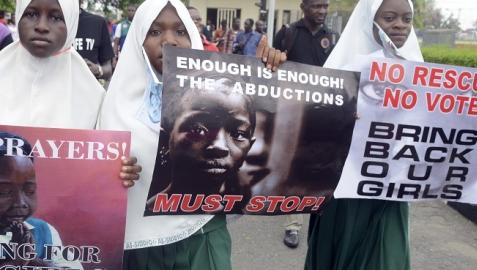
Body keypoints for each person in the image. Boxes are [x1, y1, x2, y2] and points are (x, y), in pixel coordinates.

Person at [99, 0, 232, 269]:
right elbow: (97, 177)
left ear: (194, 37)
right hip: (140, 244)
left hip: (201, 235)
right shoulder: (114, 105)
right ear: (138, 39)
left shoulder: (225, 98)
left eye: (181, 31)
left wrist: (272, 70)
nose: (169, 40)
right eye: (155, 31)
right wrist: (114, 172)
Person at [305, 0, 423, 269]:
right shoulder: (341, 68)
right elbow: (313, 128)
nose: (399, 26)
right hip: (346, 192)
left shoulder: (421, 71)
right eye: (389, 18)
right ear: (368, 22)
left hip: (390, 192)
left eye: (407, 19)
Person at [0, 0, 139, 184]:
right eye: (31, 14)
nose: (41, 26)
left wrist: (120, 169)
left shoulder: (94, 96)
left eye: (56, 17)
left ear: (72, 22)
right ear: (18, 16)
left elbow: (105, 164)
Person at [272, 0, 337, 249]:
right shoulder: (288, 33)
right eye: (316, 6)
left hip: (326, 114)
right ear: (303, 6)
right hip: (294, 112)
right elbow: (272, 70)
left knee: (323, 165)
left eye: (325, 6)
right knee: (295, 166)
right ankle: (293, 225)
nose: (322, 11)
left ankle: (320, 214)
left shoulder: (333, 37)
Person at [147, 75, 256, 212]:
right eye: (197, 130)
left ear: (249, 147)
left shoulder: (230, 215)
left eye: (238, 134)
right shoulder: (148, 214)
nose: (219, 146)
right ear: (165, 139)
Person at [0, 132, 83, 269]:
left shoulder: (44, 230)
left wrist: (31, 259)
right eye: (3, 192)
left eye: (29, 191)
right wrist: (16, 262)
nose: (21, 202)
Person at [75, 0, 114, 81]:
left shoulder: (97, 23)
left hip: (88, 91)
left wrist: (98, 70)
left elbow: (108, 69)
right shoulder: (48, 23)